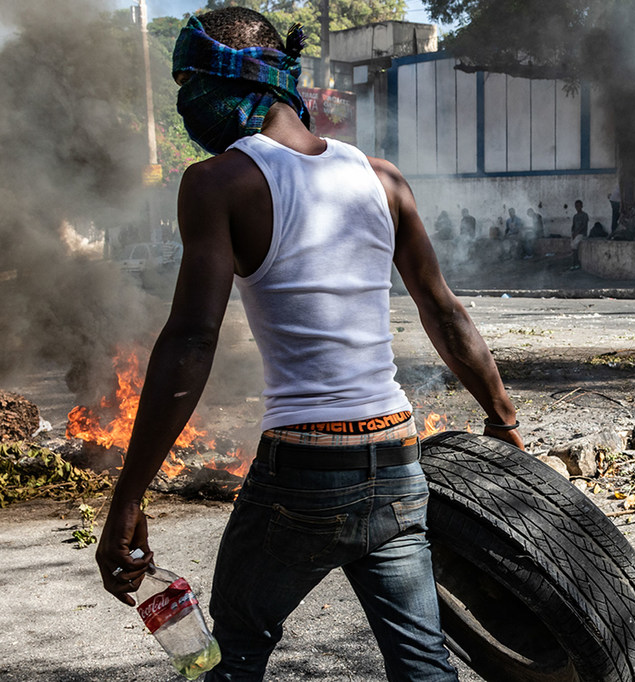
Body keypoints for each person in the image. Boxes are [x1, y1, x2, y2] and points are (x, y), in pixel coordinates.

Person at [95, 8, 523, 681]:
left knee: (233, 648)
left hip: (304, 470)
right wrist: (503, 420)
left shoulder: (217, 184)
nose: (186, 108)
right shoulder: (384, 180)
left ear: (219, 84)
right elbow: (445, 313)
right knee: (423, 665)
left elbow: (190, 340)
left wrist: (129, 498)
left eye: (187, 88)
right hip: (395, 457)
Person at [570, 199, 588, 270]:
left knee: (574, 245)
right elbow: (573, 226)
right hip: (575, 234)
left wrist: (577, 233)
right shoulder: (575, 216)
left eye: (579, 206)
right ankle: (575, 262)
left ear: (582, 206)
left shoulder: (585, 215)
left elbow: (584, 225)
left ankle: (576, 263)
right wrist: (572, 233)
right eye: (576, 206)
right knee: (573, 246)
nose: (577, 207)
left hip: (582, 234)